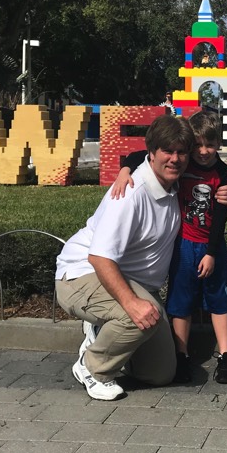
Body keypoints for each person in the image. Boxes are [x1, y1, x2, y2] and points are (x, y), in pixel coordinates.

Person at [54, 114, 194, 400]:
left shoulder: (174, 186)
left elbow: (212, 165)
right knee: (140, 314)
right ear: (151, 154)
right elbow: (100, 258)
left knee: (160, 373)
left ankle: (108, 331)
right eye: (167, 151)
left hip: (129, 281)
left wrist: (225, 190)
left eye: (182, 152)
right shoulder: (131, 193)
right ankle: (92, 367)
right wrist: (131, 304)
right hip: (82, 275)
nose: (175, 159)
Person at [111, 112, 227, 384]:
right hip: (183, 244)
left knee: (218, 298)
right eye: (198, 145)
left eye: (211, 145)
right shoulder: (183, 161)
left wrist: (212, 252)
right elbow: (139, 156)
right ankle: (181, 355)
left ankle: (226, 355)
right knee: (181, 301)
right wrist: (124, 171)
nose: (204, 152)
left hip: (210, 246)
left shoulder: (222, 171)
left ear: (219, 144)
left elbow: (220, 215)